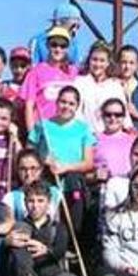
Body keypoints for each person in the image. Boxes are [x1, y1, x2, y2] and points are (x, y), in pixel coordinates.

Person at [7, 181, 118, 276]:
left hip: (47, 269)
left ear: (48, 203)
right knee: (18, 245)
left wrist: (46, 250)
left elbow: (60, 249)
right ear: (25, 203)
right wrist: (9, 241)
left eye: (40, 201)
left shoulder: (57, 227)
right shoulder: (20, 225)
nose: (35, 206)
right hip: (24, 272)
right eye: (31, 201)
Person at [28, 85, 96, 245]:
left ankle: (70, 244)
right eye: (63, 102)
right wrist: (43, 160)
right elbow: (29, 153)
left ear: (77, 106)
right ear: (57, 103)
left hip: (72, 181)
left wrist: (66, 167)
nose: (66, 106)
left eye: (71, 103)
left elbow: (88, 162)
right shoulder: (42, 125)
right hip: (47, 178)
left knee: (74, 217)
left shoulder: (83, 129)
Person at [22, 26, 80, 131]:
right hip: (44, 130)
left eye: (63, 46)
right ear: (47, 46)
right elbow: (29, 105)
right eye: (54, 45)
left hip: (68, 131)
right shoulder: (35, 72)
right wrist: (31, 134)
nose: (58, 49)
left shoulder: (74, 72)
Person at [75, 41, 127, 132]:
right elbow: (77, 114)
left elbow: (124, 115)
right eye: (94, 60)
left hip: (110, 138)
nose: (98, 64)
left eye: (102, 60)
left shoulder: (115, 86)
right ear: (89, 60)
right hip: (86, 137)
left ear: (108, 63)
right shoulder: (79, 83)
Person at [3, 149, 62, 221]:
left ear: (41, 169)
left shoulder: (54, 193)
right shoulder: (11, 198)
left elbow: (56, 222)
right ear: (17, 170)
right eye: (23, 169)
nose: (28, 173)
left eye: (33, 168)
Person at [93, 98, 137, 186]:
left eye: (118, 115)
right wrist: (95, 175)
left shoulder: (134, 140)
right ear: (102, 116)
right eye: (108, 114)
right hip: (104, 187)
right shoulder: (94, 140)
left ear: (124, 116)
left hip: (129, 187)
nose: (113, 118)